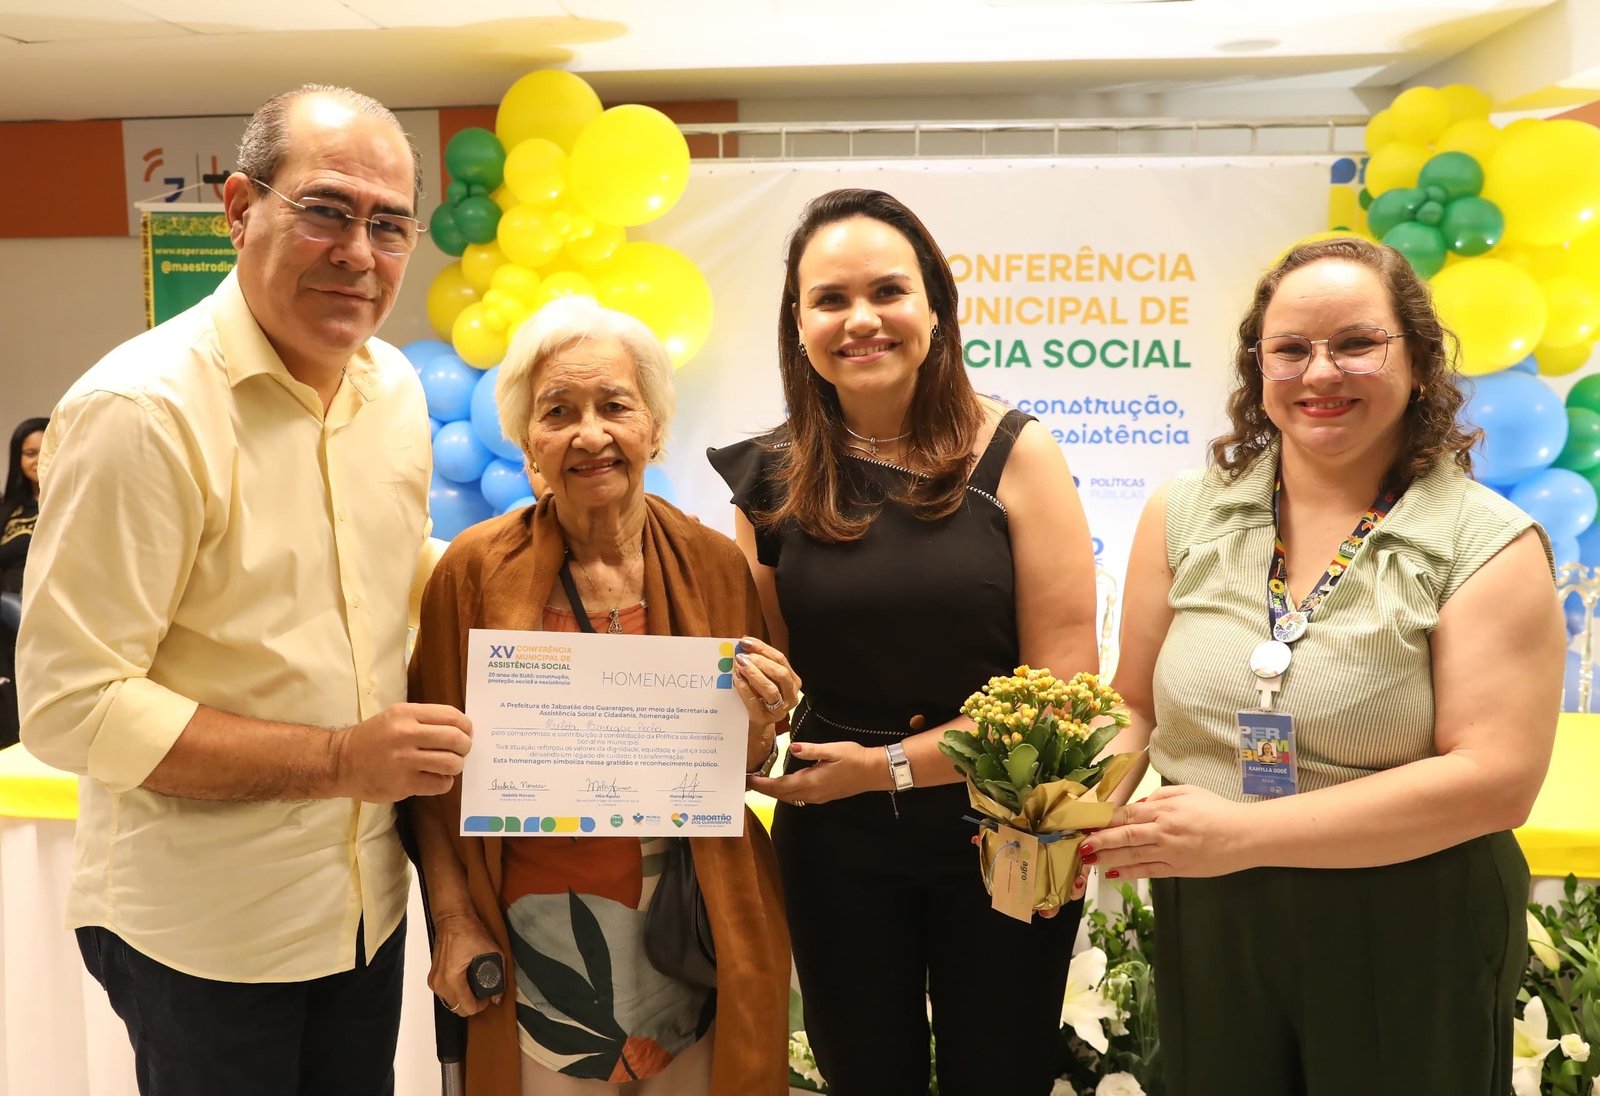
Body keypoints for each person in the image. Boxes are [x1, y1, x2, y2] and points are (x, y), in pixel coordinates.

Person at [19, 85, 469, 1096]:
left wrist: (548, 602)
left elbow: (391, 568)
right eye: (326, 210)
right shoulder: (141, 412)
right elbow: (72, 705)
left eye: (388, 224)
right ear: (237, 207)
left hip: (363, 905)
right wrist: (341, 760)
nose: (358, 252)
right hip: (207, 931)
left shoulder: (392, 391)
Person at [1083, 237, 1563, 1095]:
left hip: (1410, 912)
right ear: (1258, 367)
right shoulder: (1184, 513)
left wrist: (1240, 835)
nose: (1320, 373)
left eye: (1355, 343)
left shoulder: (1485, 542)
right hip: (1212, 906)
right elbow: (1134, 703)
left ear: (1419, 362)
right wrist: (1066, 815)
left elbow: (1495, 783)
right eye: (1291, 349)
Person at [708, 188, 1100, 1096]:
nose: (861, 320)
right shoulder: (768, 478)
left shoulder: (1018, 454)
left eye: (888, 291)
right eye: (830, 299)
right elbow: (766, 676)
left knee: (1000, 1076)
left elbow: (1063, 692)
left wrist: (886, 770)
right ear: (797, 322)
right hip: (834, 837)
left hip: (1008, 826)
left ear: (935, 307)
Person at [409, 295, 795, 1096]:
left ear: (654, 426)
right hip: (536, 946)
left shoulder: (714, 564)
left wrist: (763, 719)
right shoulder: (472, 572)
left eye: (615, 406)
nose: (590, 435)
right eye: (558, 412)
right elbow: (431, 784)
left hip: (692, 933)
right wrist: (452, 920)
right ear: (527, 442)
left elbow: (742, 764)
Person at [0, 415, 47, 747]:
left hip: (51, 601)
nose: (38, 460)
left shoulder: (75, 501)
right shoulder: (8, 511)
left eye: (46, 450)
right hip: (8, 607)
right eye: (30, 453)